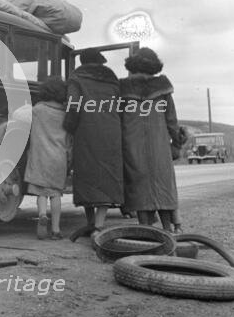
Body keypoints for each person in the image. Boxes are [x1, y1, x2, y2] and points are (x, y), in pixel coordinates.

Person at [119, 47, 183, 233]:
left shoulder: (123, 87)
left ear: (132, 65)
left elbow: (118, 117)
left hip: (132, 144)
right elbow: (171, 120)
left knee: (138, 186)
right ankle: (168, 229)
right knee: (162, 185)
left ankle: (145, 230)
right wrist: (177, 143)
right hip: (160, 145)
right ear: (154, 65)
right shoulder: (162, 87)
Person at [63, 48, 123, 231]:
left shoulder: (76, 78)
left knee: (86, 174)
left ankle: (90, 223)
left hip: (87, 130)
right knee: (108, 175)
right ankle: (99, 224)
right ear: (100, 61)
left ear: (82, 62)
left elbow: (73, 106)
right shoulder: (112, 80)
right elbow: (119, 106)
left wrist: (69, 128)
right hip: (111, 130)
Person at [14, 77, 70, 240]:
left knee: (41, 193)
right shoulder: (65, 113)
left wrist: (26, 106)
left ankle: (42, 214)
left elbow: (18, 115)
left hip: (39, 157)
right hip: (59, 158)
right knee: (55, 194)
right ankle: (56, 230)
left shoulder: (38, 110)